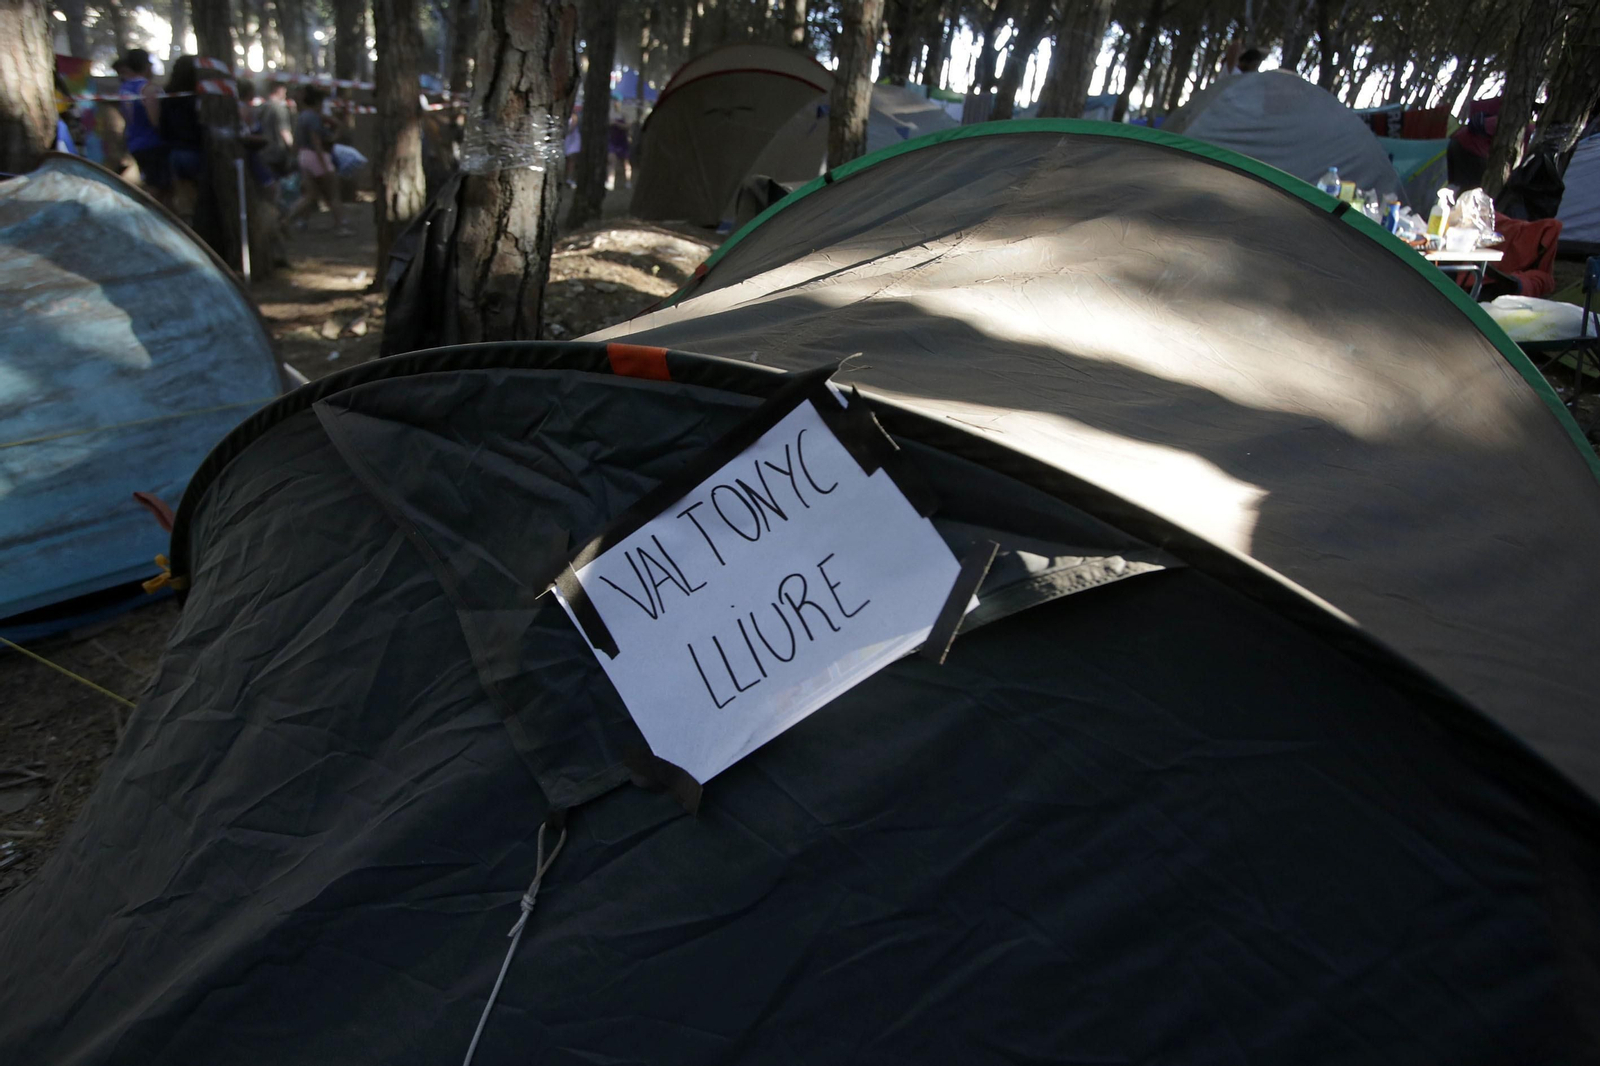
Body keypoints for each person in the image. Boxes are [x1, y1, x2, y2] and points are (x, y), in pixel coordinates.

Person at [282, 85, 350, 235]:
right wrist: (324, 165)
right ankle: (341, 225)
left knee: (310, 195)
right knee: (333, 193)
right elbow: (316, 142)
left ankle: (288, 219)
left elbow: (296, 143)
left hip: (304, 157)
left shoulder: (303, 116)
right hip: (316, 157)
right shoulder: (312, 118)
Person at [113, 49, 167, 195]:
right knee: (159, 188)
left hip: (135, 142)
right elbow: (155, 120)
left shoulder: (124, 88)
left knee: (152, 183)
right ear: (146, 65)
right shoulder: (148, 89)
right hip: (153, 143)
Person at [159, 56, 205, 185]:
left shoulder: (167, 96)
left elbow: (163, 126)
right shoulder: (197, 100)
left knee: (184, 195)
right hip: (195, 151)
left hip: (174, 153)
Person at [257, 81, 294, 176]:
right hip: (278, 154)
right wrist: (293, 149)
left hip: (263, 152)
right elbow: (284, 131)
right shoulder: (280, 109)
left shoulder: (261, 108)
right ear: (279, 90)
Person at [607, 106, 631, 189]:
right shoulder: (609, 113)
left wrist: (616, 123)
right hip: (612, 141)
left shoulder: (624, 114)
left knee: (626, 163)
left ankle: (628, 181)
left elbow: (627, 126)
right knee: (612, 162)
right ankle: (610, 182)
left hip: (622, 142)